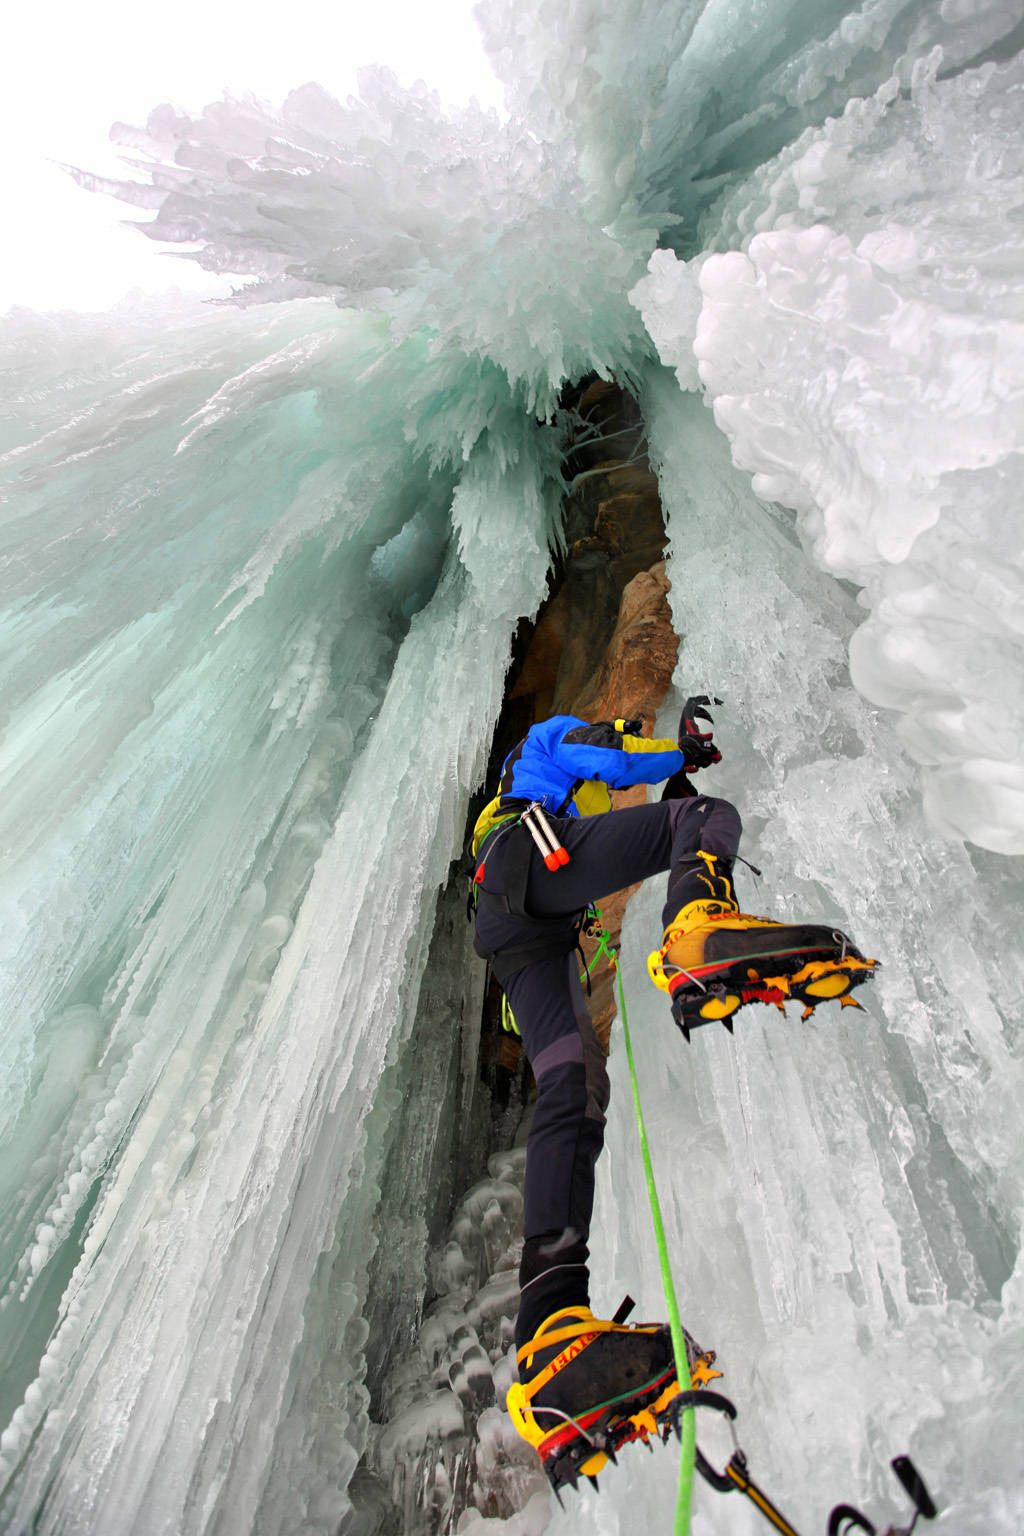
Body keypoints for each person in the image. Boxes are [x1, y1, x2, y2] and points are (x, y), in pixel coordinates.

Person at [469, 701, 875, 1487]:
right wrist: (674, 753)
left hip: (517, 928)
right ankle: (698, 930)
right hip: (532, 862)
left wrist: (669, 776)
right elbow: (612, 756)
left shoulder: (506, 808)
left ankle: (550, 1329)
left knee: (571, 1090)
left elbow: (624, 820)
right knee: (705, 819)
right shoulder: (544, 745)